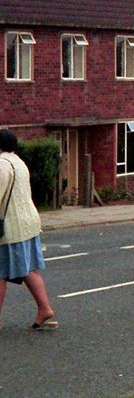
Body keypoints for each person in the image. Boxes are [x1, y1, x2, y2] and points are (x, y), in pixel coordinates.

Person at [0, 129, 59, 330]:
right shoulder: (19, 162)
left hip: (9, 228)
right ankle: (45, 308)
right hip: (27, 224)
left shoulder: (2, 164)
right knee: (27, 269)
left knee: (0, 274)